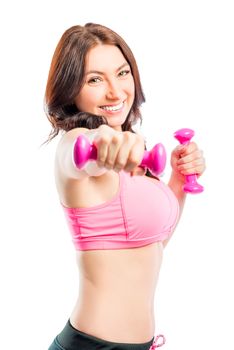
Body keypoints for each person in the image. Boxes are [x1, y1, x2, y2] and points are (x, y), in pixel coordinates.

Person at [44, 23, 206, 350]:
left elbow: (152, 244)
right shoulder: (75, 144)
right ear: (70, 89)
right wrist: (102, 142)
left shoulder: (136, 161)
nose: (116, 92)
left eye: (121, 73)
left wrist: (176, 180)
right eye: (94, 79)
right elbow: (80, 157)